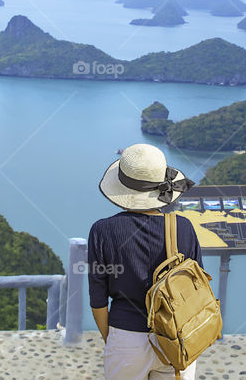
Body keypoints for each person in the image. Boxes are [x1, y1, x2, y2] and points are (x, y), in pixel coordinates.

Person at [87, 143, 204, 380]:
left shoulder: (102, 231)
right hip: (175, 336)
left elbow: (98, 300)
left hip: (125, 336)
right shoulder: (184, 227)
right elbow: (197, 289)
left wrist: (114, 341)